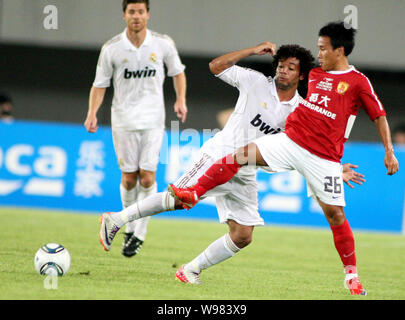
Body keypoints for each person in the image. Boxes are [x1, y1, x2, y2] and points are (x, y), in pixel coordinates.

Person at [99, 42, 365, 285]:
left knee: (242, 235)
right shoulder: (255, 81)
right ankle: (117, 219)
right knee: (180, 200)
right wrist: (250, 51)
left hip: (246, 170)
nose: (283, 71)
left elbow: (302, 150)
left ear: (302, 75)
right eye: (281, 65)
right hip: (219, 155)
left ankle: (190, 269)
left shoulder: (300, 109)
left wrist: (333, 168)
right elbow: (215, 66)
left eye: (291, 68)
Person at [169, 21, 399, 296]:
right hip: (290, 141)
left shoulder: (358, 82)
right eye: (318, 49)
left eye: (324, 49)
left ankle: (352, 276)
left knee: (335, 215)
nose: (320, 54)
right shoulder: (313, 74)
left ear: (339, 50)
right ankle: (194, 192)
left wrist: (388, 151)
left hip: (323, 158)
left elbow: (379, 114)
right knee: (238, 155)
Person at [85, 0, 187, 258]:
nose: (136, 16)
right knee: (129, 179)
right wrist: (92, 113)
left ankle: (139, 233)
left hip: (153, 120)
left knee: (147, 178)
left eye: (141, 11)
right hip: (123, 120)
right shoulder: (112, 48)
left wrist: (180, 100)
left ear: (148, 15)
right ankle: (129, 225)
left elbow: (178, 72)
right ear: (124, 15)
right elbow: (99, 84)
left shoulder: (163, 43)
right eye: (132, 12)